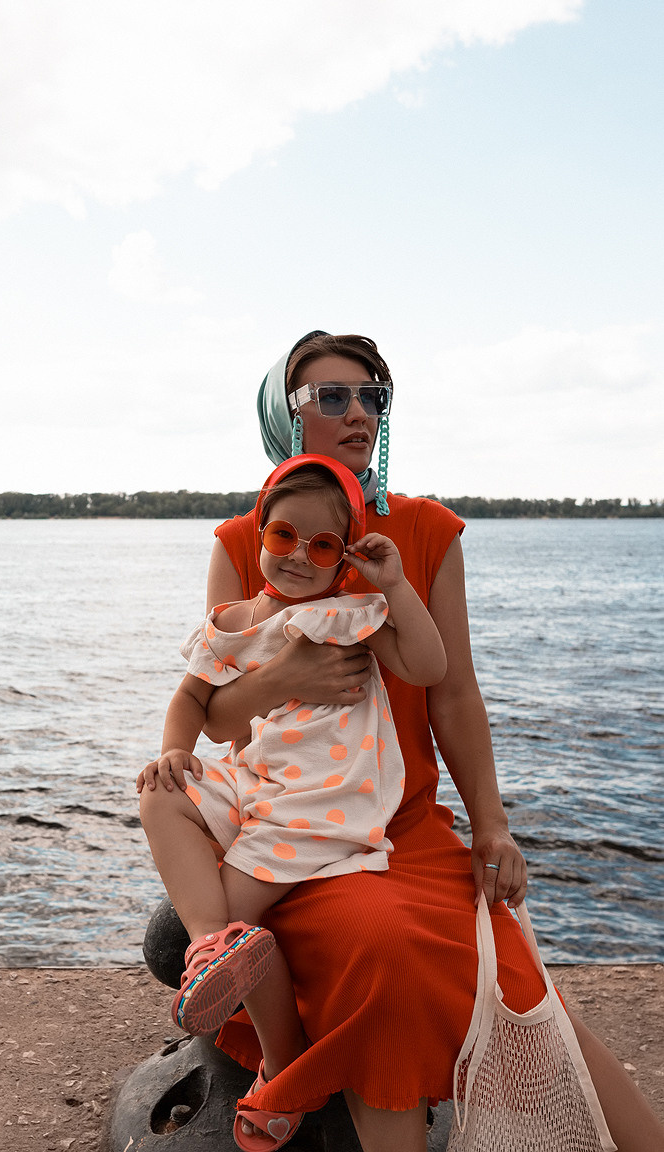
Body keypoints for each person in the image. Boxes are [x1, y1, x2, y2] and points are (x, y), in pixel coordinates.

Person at [150, 330, 662, 1152]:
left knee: (517, 985)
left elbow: (451, 688)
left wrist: (491, 823)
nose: (360, 414)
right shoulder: (248, 541)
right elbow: (219, 717)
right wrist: (295, 678)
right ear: (283, 419)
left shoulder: (420, 534)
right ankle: (248, 984)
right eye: (333, 397)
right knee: (377, 952)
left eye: (374, 397)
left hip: (407, 825)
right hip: (293, 825)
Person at [138, 454, 446, 1150]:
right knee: (159, 797)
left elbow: (429, 668)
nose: (299, 556)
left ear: (343, 561)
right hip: (259, 790)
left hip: (325, 805)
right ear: (261, 539)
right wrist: (175, 750)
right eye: (284, 537)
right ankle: (221, 951)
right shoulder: (234, 625)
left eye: (322, 545)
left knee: (231, 918)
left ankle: (282, 1066)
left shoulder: (349, 615)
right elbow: (194, 699)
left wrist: (395, 585)